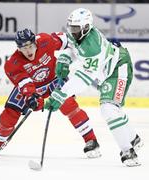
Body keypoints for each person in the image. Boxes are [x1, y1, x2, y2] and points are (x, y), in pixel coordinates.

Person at [44, 8, 143, 167]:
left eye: (76, 29)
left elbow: (84, 79)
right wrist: (64, 59)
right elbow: (73, 47)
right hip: (107, 71)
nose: (72, 31)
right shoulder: (80, 34)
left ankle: (128, 151)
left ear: (86, 27)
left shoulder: (93, 47)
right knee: (112, 108)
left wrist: (60, 95)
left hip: (118, 68)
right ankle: (133, 138)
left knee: (109, 109)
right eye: (71, 28)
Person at [0, 28, 101, 158]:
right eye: (23, 47)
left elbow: (68, 40)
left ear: (35, 43)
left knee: (69, 106)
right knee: (9, 113)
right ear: (18, 48)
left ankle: (91, 140)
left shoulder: (46, 41)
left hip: (55, 79)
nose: (28, 50)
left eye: (30, 46)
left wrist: (71, 56)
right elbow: (25, 84)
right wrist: (31, 97)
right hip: (32, 87)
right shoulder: (12, 64)